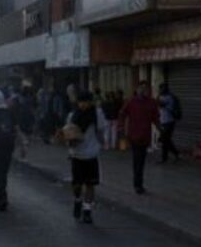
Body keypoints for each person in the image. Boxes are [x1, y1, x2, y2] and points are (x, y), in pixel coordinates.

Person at [64, 91, 107, 224]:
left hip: (91, 154)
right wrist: (69, 148)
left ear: (90, 102)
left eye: (86, 101)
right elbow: (68, 134)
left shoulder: (97, 114)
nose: (83, 104)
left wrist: (102, 144)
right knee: (77, 185)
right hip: (77, 155)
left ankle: (87, 211)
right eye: (80, 102)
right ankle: (77, 200)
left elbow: (101, 131)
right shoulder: (72, 116)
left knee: (90, 184)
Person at [117, 81, 159, 195]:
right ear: (137, 89)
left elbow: (156, 118)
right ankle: (137, 184)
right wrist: (120, 127)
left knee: (141, 160)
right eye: (141, 88)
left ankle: (139, 183)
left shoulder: (151, 103)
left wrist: (161, 130)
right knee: (137, 160)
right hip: (134, 135)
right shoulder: (131, 102)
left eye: (145, 88)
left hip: (145, 136)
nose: (142, 90)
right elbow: (122, 113)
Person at [157, 83, 181, 163]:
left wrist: (161, 102)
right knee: (166, 140)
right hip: (163, 121)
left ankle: (164, 158)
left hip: (170, 121)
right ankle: (176, 153)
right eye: (160, 88)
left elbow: (163, 105)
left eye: (162, 88)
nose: (161, 90)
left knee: (164, 139)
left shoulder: (170, 97)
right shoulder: (160, 97)